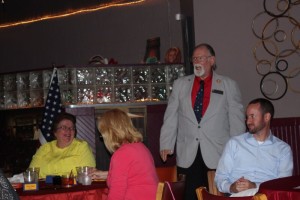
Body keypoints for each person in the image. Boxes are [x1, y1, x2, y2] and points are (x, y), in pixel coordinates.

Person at [160, 43, 245, 200]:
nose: (197, 62)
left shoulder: (228, 85)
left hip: (217, 152)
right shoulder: (180, 85)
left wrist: (237, 151)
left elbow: (237, 120)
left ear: (212, 60)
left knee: (215, 195)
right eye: (194, 59)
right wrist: (166, 143)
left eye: (201, 58)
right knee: (189, 195)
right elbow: (171, 115)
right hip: (187, 152)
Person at [215, 98, 293, 197]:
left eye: (252, 116)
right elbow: (220, 178)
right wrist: (232, 187)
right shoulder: (234, 143)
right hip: (238, 197)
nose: (248, 121)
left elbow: (282, 184)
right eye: (247, 117)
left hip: (267, 196)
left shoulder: (283, 149)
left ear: (267, 117)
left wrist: (255, 186)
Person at [89, 109, 158, 200]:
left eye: (102, 134)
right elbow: (132, 175)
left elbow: (117, 194)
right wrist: (103, 174)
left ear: (110, 133)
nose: (102, 138)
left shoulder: (122, 154)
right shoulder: (140, 147)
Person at [29, 112, 96, 178]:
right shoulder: (44, 148)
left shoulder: (82, 147)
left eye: (72, 128)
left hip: (73, 187)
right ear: (55, 132)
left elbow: (89, 174)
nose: (68, 131)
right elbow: (32, 173)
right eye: (64, 127)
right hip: (46, 187)